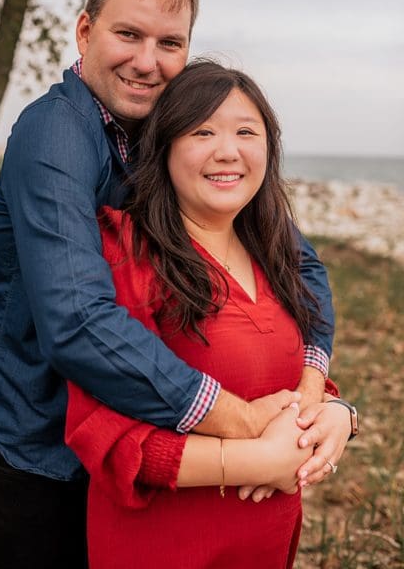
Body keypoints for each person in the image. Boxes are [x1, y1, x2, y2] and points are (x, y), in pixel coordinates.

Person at [0, 0, 349, 568]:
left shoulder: (160, 134)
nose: (148, 62)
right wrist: (241, 421)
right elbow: (79, 322)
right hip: (44, 442)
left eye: (170, 43)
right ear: (85, 32)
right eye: (128, 35)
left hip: (141, 436)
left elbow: (298, 264)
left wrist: (313, 388)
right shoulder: (55, 134)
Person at [65, 61, 357, 568]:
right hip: (166, 545)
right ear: (166, 146)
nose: (228, 151)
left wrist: (335, 417)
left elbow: (285, 381)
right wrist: (254, 459)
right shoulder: (125, 253)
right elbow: (103, 433)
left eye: (247, 131)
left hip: (265, 543)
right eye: (203, 131)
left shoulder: (276, 254)